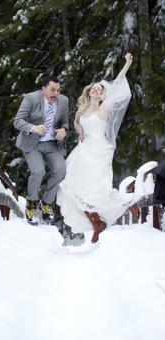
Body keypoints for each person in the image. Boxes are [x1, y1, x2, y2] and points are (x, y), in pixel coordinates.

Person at [57, 53, 140, 243]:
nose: (96, 90)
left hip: (100, 150)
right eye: (93, 88)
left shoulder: (105, 107)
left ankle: (126, 202)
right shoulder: (82, 110)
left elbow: (117, 83)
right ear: (88, 92)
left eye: (99, 89)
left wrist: (127, 63)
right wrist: (80, 133)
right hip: (83, 151)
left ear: (103, 93)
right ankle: (97, 224)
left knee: (99, 188)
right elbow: (77, 123)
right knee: (75, 186)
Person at [14, 75, 69, 226]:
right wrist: (32, 128)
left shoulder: (63, 101)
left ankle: (46, 203)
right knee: (38, 171)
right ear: (43, 89)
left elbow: (65, 122)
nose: (55, 93)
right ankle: (31, 204)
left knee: (61, 169)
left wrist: (64, 130)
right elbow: (18, 121)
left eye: (58, 90)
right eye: (52, 90)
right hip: (33, 144)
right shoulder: (30, 98)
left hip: (52, 145)